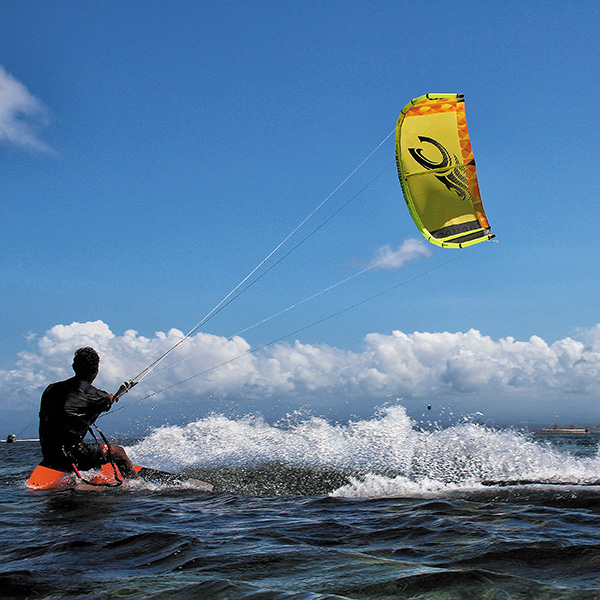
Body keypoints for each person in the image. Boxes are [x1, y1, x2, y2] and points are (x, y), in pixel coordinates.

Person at [39, 347, 137, 478]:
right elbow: (107, 400)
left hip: (49, 454)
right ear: (96, 371)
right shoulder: (97, 396)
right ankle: (135, 485)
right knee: (119, 452)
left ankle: (91, 470)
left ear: (74, 366)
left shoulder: (51, 389)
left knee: (87, 448)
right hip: (73, 457)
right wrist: (119, 393)